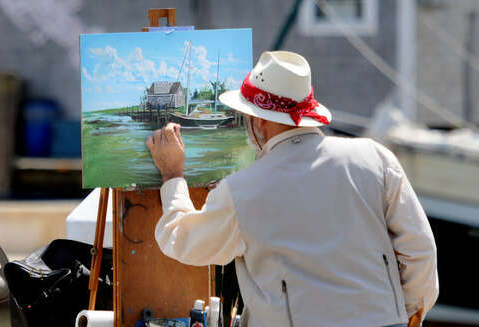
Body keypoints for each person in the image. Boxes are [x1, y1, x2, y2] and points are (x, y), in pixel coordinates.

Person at [146, 51, 438, 327]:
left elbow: (182, 240)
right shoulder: (375, 157)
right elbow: (420, 251)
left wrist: (172, 175)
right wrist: (405, 316)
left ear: (258, 119)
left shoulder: (242, 189)